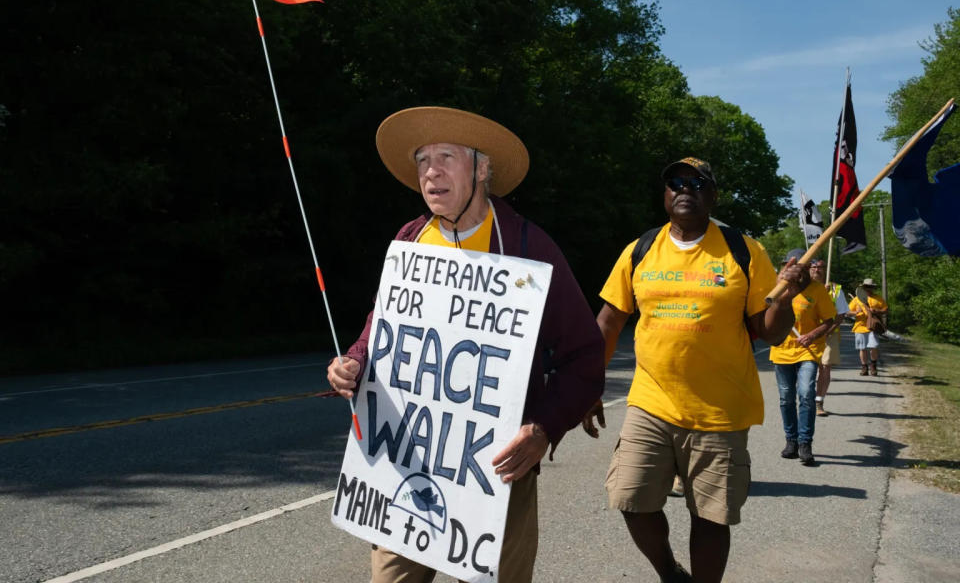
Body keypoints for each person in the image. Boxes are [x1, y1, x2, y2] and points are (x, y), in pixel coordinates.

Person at [326, 106, 604, 583]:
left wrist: (543, 429)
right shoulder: (410, 241)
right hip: (406, 462)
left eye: (446, 157)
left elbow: (585, 356)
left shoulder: (527, 249)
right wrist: (352, 361)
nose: (430, 171)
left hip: (496, 471)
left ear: (481, 168)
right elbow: (381, 327)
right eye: (422, 160)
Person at [582, 157, 809, 583]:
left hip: (719, 412)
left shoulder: (743, 249)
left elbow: (771, 333)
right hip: (651, 402)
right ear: (665, 195)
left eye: (697, 183)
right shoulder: (640, 250)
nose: (685, 189)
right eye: (675, 182)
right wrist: (589, 384)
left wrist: (788, 295)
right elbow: (609, 322)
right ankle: (670, 573)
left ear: (713, 194)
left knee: (710, 516)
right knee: (631, 498)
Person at [769, 249, 836, 466]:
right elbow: (765, 315)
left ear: (807, 269)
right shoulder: (778, 288)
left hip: (809, 350)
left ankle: (805, 443)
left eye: (800, 267)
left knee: (806, 393)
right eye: (789, 266)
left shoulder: (817, 290)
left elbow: (829, 320)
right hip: (781, 349)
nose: (794, 271)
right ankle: (791, 441)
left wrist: (812, 334)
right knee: (786, 397)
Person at [809, 259, 849, 416]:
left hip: (828, 334)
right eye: (814, 267)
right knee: (806, 368)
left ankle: (819, 402)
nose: (817, 270)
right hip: (806, 334)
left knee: (825, 367)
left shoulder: (835, 289)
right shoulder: (802, 287)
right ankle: (806, 398)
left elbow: (841, 314)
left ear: (825, 270)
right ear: (808, 269)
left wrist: (826, 331)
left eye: (820, 267)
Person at [848, 278, 889, 376]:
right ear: (863, 288)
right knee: (862, 348)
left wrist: (877, 311)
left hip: (873, 327)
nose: (868, 289)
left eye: (870, 287)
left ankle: (873, 366)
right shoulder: (857, 299)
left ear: (873, 288)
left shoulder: (878, 298)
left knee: (873, 346)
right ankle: (864, 367)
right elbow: (847, 312)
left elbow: (886, 309)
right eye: (867, 287)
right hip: (860, 327)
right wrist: (856, 312)